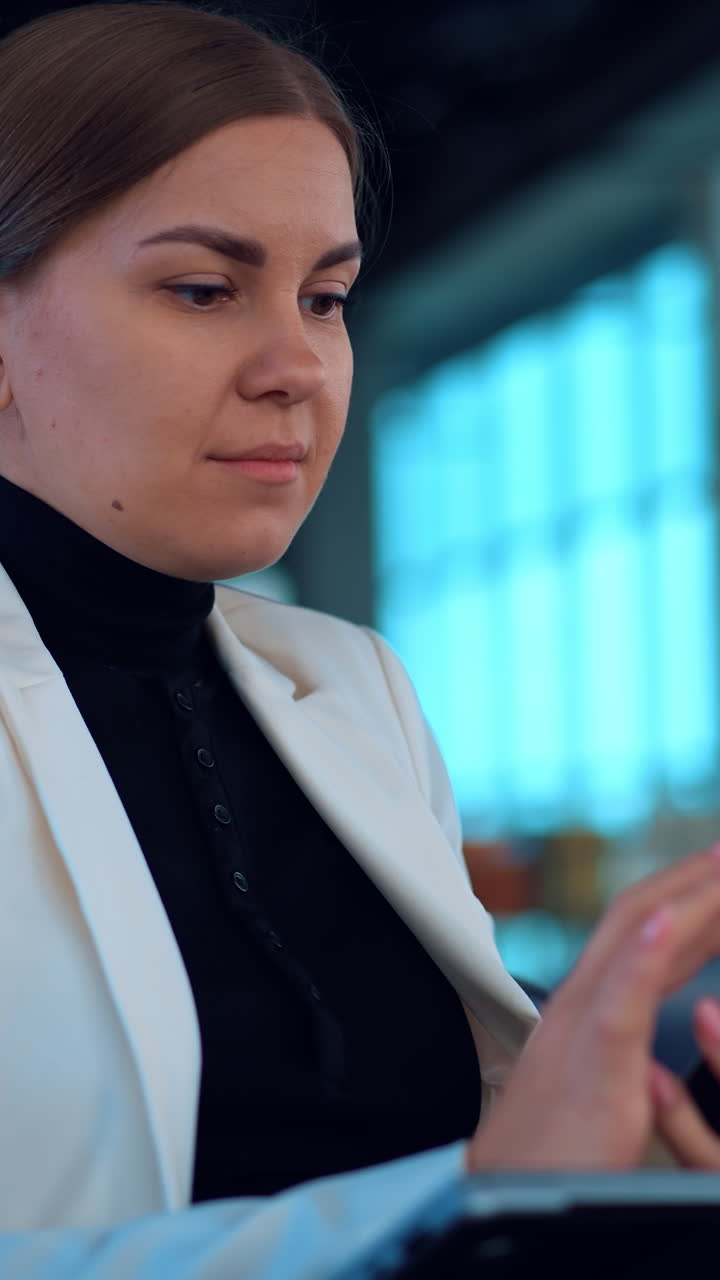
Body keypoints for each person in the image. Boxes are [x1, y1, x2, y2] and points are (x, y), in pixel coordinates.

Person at [0, 1, 719, 1275]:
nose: (299, 363)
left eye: (326, 296)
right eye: (204, 288)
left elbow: (495, 1160)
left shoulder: (351, 686)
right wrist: (477, 1187)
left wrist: (658, 1141)